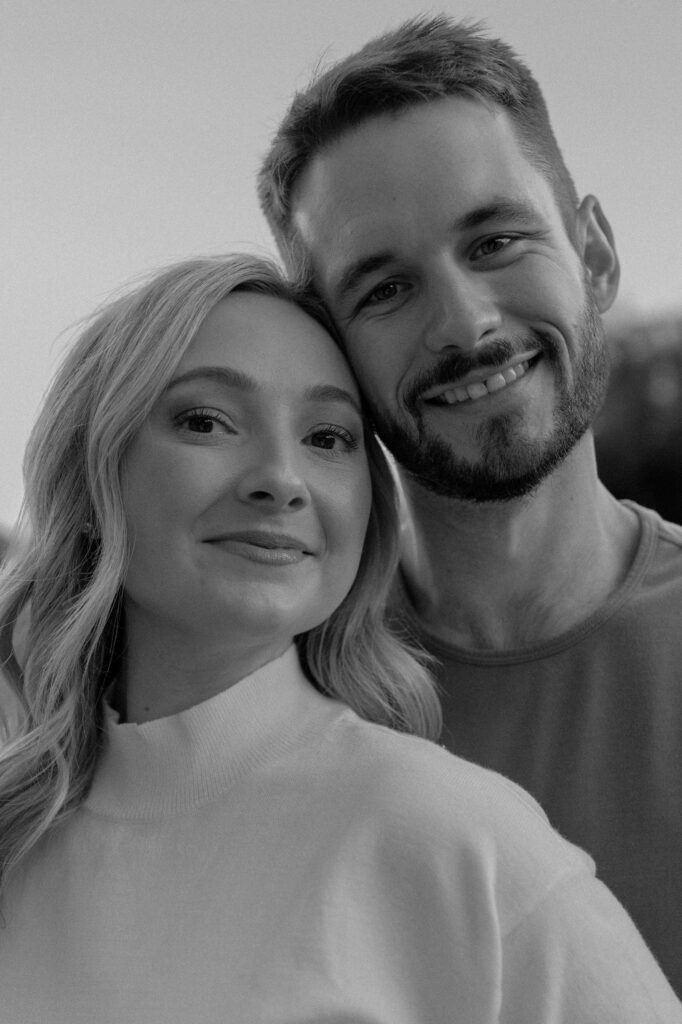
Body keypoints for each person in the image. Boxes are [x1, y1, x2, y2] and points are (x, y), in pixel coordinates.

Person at [0, 255, 679, 1022]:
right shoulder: (18, 842)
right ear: (92, 475)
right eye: (205, 421)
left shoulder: (456, 841)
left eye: (327, 436)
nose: (280, 479)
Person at [257, 14, 682, 995]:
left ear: (595, 255)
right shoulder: (265, 705)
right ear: (329, 348)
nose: (464, 323)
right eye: (384, 287)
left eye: (493, 239)